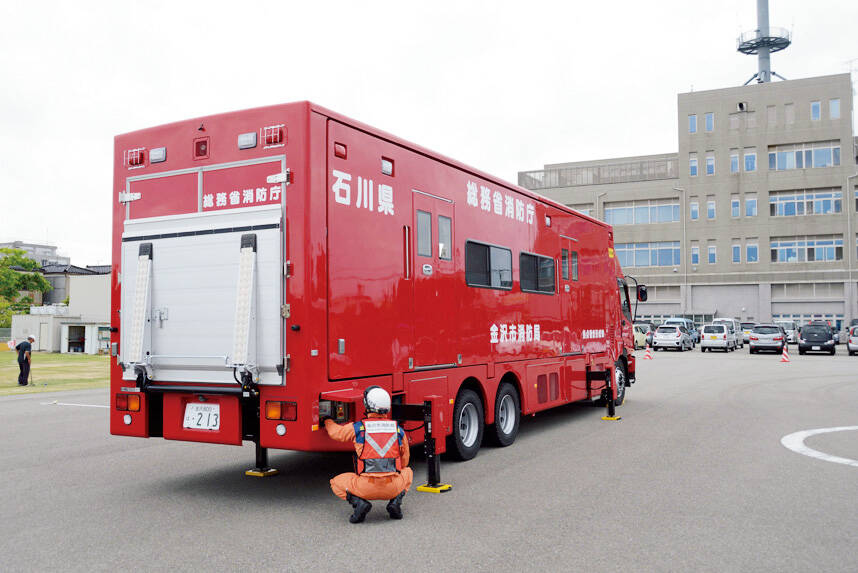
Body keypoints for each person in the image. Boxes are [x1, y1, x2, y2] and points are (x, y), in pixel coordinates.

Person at [323, 386, 413, 523]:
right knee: (408, 472)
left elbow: (336, 433)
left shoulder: (359, 428)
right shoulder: (398, 430)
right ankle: (395, 502)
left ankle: (359, 503)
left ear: (367, 405)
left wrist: (327, 420)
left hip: (365, 487)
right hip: (392, 487)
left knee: (335, 482)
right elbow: (405, 461)